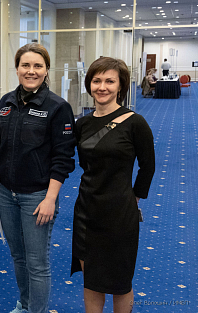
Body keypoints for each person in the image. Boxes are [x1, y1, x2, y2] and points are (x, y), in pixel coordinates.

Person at [0, 43, 76, 313]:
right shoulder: (7, 102)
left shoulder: (58, 107)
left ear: (46, 70)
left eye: (38, 66)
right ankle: (25, 305)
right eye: (25, 65)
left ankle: (36, 310)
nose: (31, 71)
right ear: (16, 68)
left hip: (37, 197)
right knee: (18, 256)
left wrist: (50, 199)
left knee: (37, 262)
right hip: (6, 194)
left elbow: (63, 159)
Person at [71, 57, 155, 313]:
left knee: (120, 280)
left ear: (120, 86)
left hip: (120, 213)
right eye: (97, 81)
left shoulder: (134, 122)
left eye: (110, 81)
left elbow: (147, 166)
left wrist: (134, 198)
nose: (102, 87)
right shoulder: (82, 124)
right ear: (89, 84)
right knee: (91, 279)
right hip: (86, 209)